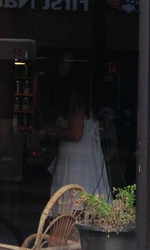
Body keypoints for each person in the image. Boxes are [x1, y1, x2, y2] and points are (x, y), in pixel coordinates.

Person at [47, 53, 110, 198]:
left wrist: (53, 130)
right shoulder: (86, 98)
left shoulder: (76, 98)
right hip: (87, 154)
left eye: (65, 63)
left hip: (77, 157)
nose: (61, 67)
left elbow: (76, 133)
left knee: (75, 194)